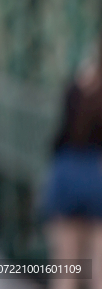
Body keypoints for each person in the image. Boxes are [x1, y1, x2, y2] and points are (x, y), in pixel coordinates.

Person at [41, 50, 102, 289]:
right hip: (97, 177)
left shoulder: (77, 84)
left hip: (67, 175)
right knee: (97, 270)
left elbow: (59, 135)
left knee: (65, 270)